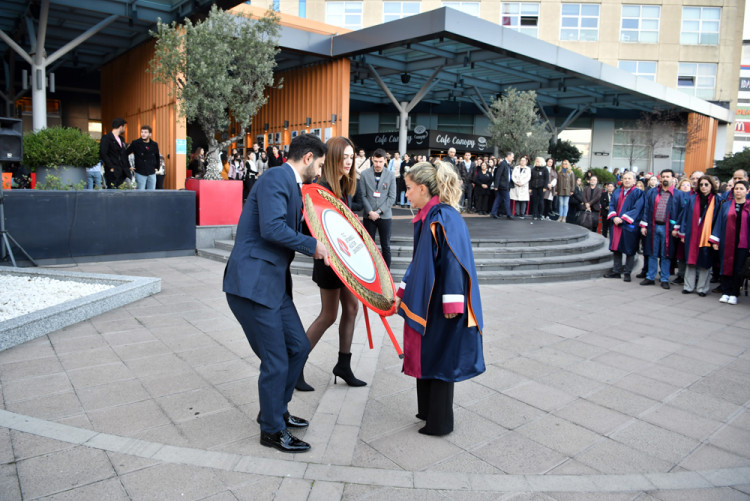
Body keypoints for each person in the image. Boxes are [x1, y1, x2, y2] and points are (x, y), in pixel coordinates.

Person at [223, 134, 329, 453]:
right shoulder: (275, 178)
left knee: (298, 347)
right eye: (321, 165)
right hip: (253, 285)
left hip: (272, 285)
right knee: (276, 360)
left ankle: (274, 410)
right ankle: (271, 429)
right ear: (308, 158)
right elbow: (272, 228)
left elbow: (295, 227)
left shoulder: (291, 183)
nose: (321, 172)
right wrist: (313, 246)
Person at [393, 161, 485, 436]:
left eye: (409, 189)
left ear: (422, 188)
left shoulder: (443, 217)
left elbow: (454, 262)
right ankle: (427, 412)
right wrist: (401, 292)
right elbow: (419, 263)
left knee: (442, 359)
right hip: (430, 301)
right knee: (428, 355)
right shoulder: (429, 214)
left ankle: (440, 423)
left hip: (443, 305)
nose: (406, 194)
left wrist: (454, 304)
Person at [297, 137, 366, 392]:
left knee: (352, 308)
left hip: (345, 261)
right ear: (333, 157)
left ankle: (343, 365)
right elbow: (312, 227)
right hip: (329, 262)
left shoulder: (343, 187)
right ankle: (295, 367)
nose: (348, 161)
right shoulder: (320, 188)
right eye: (344, 156)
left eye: (351, 157)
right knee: (328, 315)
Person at [639, 169, 682, 289]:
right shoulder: (653, 192)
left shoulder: (678, 194)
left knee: (666, 254)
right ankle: (650, 277)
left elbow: (681, 213)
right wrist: (644, 225)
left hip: (668, 229)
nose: (665, 179)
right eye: (663, 177)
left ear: (673, 178)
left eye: (668, 176)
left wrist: (676, 228)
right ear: (660, 178)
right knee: (652, 252)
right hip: (653, 227)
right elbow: (646, 209)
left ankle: (664, 278)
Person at [710, 180, 750, 305]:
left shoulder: (749, 206)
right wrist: (715, 240)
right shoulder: (726, 205)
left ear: (747, 191)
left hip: (742, 243)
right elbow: (719, 223)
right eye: (736, 188)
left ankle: (734, 293)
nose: (738, 191)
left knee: (738, 269)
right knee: (725, 266)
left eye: (741, 189)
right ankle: (725, 291)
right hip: (726, 241)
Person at [679, 175, 720, 296]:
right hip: (692, 232)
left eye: (706, 184)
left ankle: (702, 288)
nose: (703, 187)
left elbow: (718, 219)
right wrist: (683, 232)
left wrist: (715, 238)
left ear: (711, 186)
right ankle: (688, 286)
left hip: (707, 234)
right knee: (690, 260)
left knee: (705, 261)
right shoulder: (693, 198)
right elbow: (685, 216)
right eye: (701, 184)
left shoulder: (717, 200)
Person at [603, 171, 644, 282]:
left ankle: (627, 273)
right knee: (616, 249)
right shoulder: (617, 192)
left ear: (634, 181)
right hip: (616, 225)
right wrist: (614, 217)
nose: (626, 180)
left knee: (630, 250)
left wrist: (623, 218)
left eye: (629, 178)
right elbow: (611, 206)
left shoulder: (638, 193)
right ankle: (616, 271)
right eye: (625, 178)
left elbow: (637, 209)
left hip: (629, 226)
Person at [361, 148, 397, 268]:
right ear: (372, 159)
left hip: (385, 216)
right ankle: (369, 270)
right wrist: (370, 211)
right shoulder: (364, 174)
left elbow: (392, 197)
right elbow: (363, 195)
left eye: (380, 161)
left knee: (385, 245)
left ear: (385, 160)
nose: (377, 164)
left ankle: (386, 274)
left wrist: (379, 212)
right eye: (375, 161)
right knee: (369, 246)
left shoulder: (390, 175)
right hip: (368, 215)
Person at [126, 125, 160, 190]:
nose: (143, 134)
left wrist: (156, 167)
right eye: (142, 132)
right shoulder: (136, 143)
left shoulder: (154, 144)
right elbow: (125, 154)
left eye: (145, 132)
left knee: (152, 193)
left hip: (152, 172)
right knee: (140, 193)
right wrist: (128, 166)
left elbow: (157, 156)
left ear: (150, 134)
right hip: (140, 172)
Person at [100, 117, 129, 189]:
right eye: (124, 126)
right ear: (120, 127)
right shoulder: (106, 138)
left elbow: (123, 154)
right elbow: (103, 153)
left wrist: (128, 166)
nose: (124, 128)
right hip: (112, 171)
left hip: (122, 170)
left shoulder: (121, 139)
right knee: (112, 191)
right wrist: (111, 167)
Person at [490, 151, 514, 220]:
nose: (513, 158)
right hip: (503, 185)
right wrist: (496, 186)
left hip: (504, 185)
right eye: (512, 157)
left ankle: (493, 213)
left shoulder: (506, 164)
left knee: (498, 199)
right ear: (508, 156)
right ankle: (509, 214)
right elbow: (498, 175)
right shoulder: (503, 164)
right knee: (507, 199)